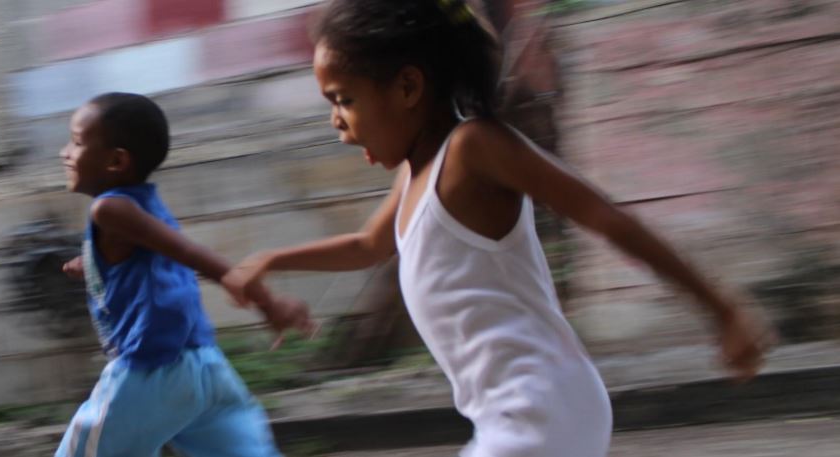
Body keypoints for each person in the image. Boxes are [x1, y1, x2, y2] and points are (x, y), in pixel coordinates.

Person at [221, 1, 776, 456]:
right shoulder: (422, 170)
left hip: (540, 412)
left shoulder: (473, 148)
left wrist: (721, 309)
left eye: (343, 100)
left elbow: (605, 216)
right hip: (517, 416)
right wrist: (270, 260)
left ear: (408, 87)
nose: (336, 122)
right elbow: (369, 244)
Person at [56, 92, 313, 457]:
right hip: (204, 364)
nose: (64, 152)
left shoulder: (108, 209)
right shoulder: (143, 204)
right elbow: (159, 259)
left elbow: (189, 253)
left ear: (116, 161)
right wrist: (93, 263)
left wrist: (264, 299)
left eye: (77, 142)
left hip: (150, 369)